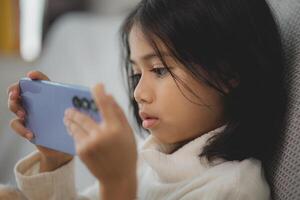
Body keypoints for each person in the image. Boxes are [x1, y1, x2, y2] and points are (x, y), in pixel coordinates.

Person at [7, 0, 286, 199]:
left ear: (227, 73)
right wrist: (54, 159)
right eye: (135, 75)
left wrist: (118, 181)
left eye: (159, 70)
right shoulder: (148, 157)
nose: (139, 93)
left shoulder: (232, 189)